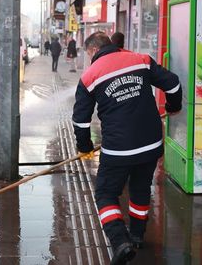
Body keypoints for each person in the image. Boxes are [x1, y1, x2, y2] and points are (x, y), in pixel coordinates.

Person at [72, 32, 182, 265]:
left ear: (92, 50)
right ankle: (137, 236)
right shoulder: (141, 60)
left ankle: (120, 241)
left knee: (106, 193)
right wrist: (173, 106)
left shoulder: (89, 76)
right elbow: (172, 84)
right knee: (141, 188)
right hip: (150, 143)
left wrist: (85, 147)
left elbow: (81, 121)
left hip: (118, 150)